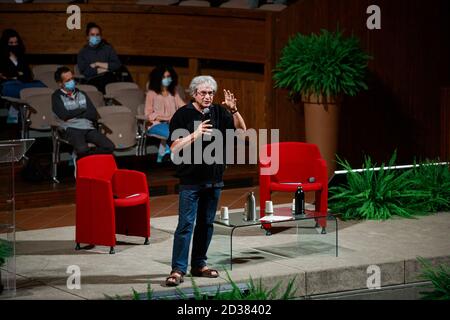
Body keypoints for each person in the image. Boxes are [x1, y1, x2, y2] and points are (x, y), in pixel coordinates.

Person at [165, 75, 247, 286]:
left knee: (206, 224)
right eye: (203, 93)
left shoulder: (219, 112)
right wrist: (195, 134)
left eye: (211, 93)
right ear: (194, 94)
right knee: (185, 225)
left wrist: (234, 110)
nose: (208, 96)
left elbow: (242, 131)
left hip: (214, 179)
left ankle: (199, 264)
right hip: (191, 180)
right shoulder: (182, 115)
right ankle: (177, 270)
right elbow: (173, 147)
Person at [52, 66, 114, 161]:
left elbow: (93, 114)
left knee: (109, 146)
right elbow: (64, 115)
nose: (72, 82)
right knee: (82, 149)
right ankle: (85, 163)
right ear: (60, 83)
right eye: (68, 80)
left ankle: (88, 158)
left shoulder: (82, 94)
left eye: (72, 78)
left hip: (88, 127)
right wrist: (82, 110)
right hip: (71, 129)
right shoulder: (56, 96)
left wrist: (73, 113)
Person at [0, 29, 46, 122]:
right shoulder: (1, 57)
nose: (14, 45)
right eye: (11, 43)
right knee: (21, 91)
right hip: (9, 85)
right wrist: (17, 75)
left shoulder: (21, 56)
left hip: (24, 84)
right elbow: (4, 75)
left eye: (16, 42)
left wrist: (15, 75)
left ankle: (18, 110)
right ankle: (17, 111)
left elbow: (27, 75)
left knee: (41, 86)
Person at [145, 65, 185, 163]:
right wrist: (166, 118)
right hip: (156, 124)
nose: (166, 79)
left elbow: (182, 105)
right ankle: (168, 155)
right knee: (172, 134)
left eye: (168, 77)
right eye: (164, 77)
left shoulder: (173, 93)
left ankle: (163, 157)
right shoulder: (151, 94)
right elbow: (148, 114)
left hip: (171, 124)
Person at [77, 22, 122, 93]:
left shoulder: (108, 49)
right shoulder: (83, 53)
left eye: (97, 35)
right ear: (87, 37)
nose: (95, 37)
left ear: (100, 37)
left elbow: (117, 65)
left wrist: (97, 64)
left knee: (109, 79)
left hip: (109, 79)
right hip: (93, 81)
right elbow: (86, 71)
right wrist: (104, 69)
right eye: (92, 35)